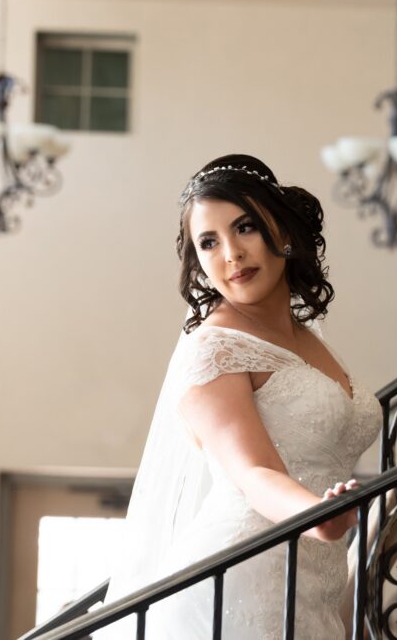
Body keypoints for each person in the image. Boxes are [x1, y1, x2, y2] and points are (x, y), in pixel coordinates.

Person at [97, 154, 382, 638]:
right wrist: (318, 517)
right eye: (209, 242)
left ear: (284, 232)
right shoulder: (212, 349)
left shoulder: (308, 336)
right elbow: (255, 473)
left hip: (312, 583)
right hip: (237, 585)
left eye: (245, 227)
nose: (230, 254)